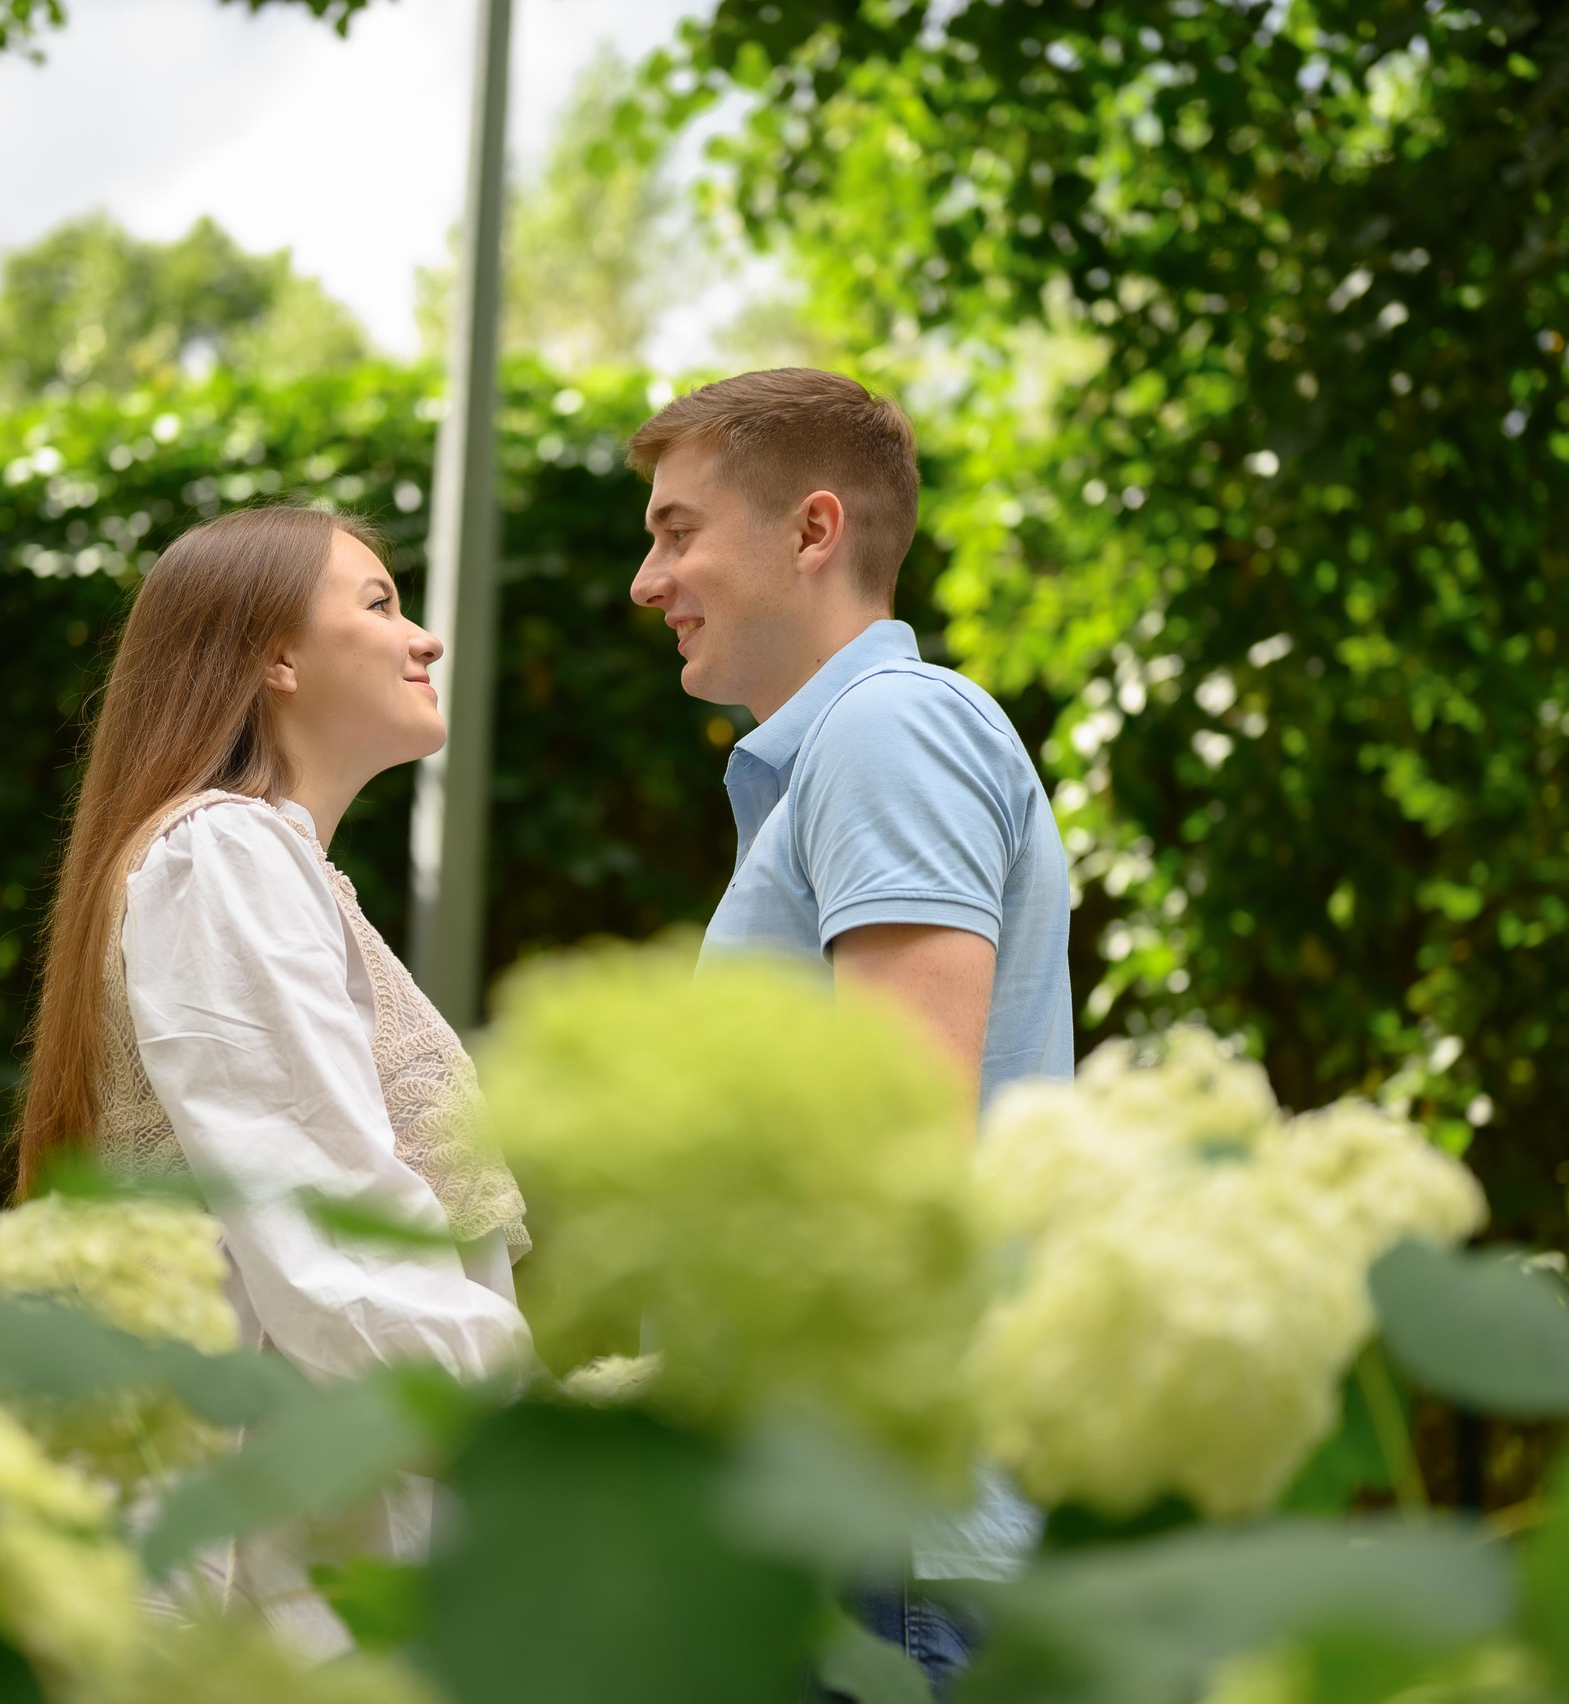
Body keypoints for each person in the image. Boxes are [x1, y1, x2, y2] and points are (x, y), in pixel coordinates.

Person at [627, 368, 1075, 1694]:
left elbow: (897, 1150)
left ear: (813, 531)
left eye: (675, 531)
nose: (647, 582)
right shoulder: (841, 758)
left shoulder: (889, 734)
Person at [12, 504, 531, 1646]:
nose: (426, 637)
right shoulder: (222, 855)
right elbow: (330, 1236)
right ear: (274, 658)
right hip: (283, 1571)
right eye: (381, 602)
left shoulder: (268, 866)